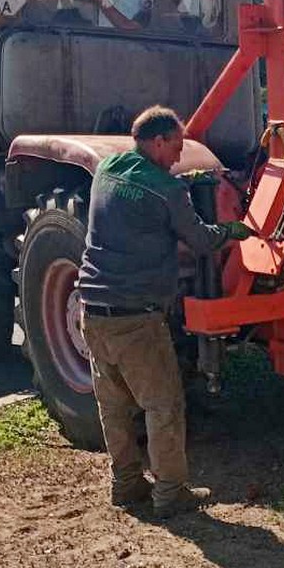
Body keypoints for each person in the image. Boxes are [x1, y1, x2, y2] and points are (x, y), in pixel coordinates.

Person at [77, 106, 253, 516]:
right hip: (135, 316)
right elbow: (200, 240)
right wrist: (232, 230)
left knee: (114, 403)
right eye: (176, 146)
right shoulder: (167, 191)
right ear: (157, 142)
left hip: (92, 310)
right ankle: (171, 494)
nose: (178, 156)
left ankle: (126, 486)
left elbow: (139, 199)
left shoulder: (106, 169)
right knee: (163, 404)